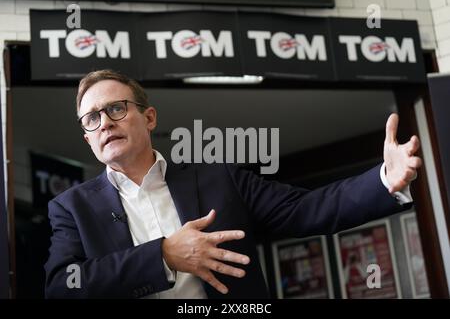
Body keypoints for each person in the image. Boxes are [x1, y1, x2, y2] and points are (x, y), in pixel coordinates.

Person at [44, 69, 422, 299]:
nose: (105, 123)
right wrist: (163, 256)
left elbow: (307, 209)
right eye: (91, 119)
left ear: (149, 117)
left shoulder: (218, 178)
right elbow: (63, 286)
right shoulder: (71, 207)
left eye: (116, 108)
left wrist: (385, 179)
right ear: (87, 138)